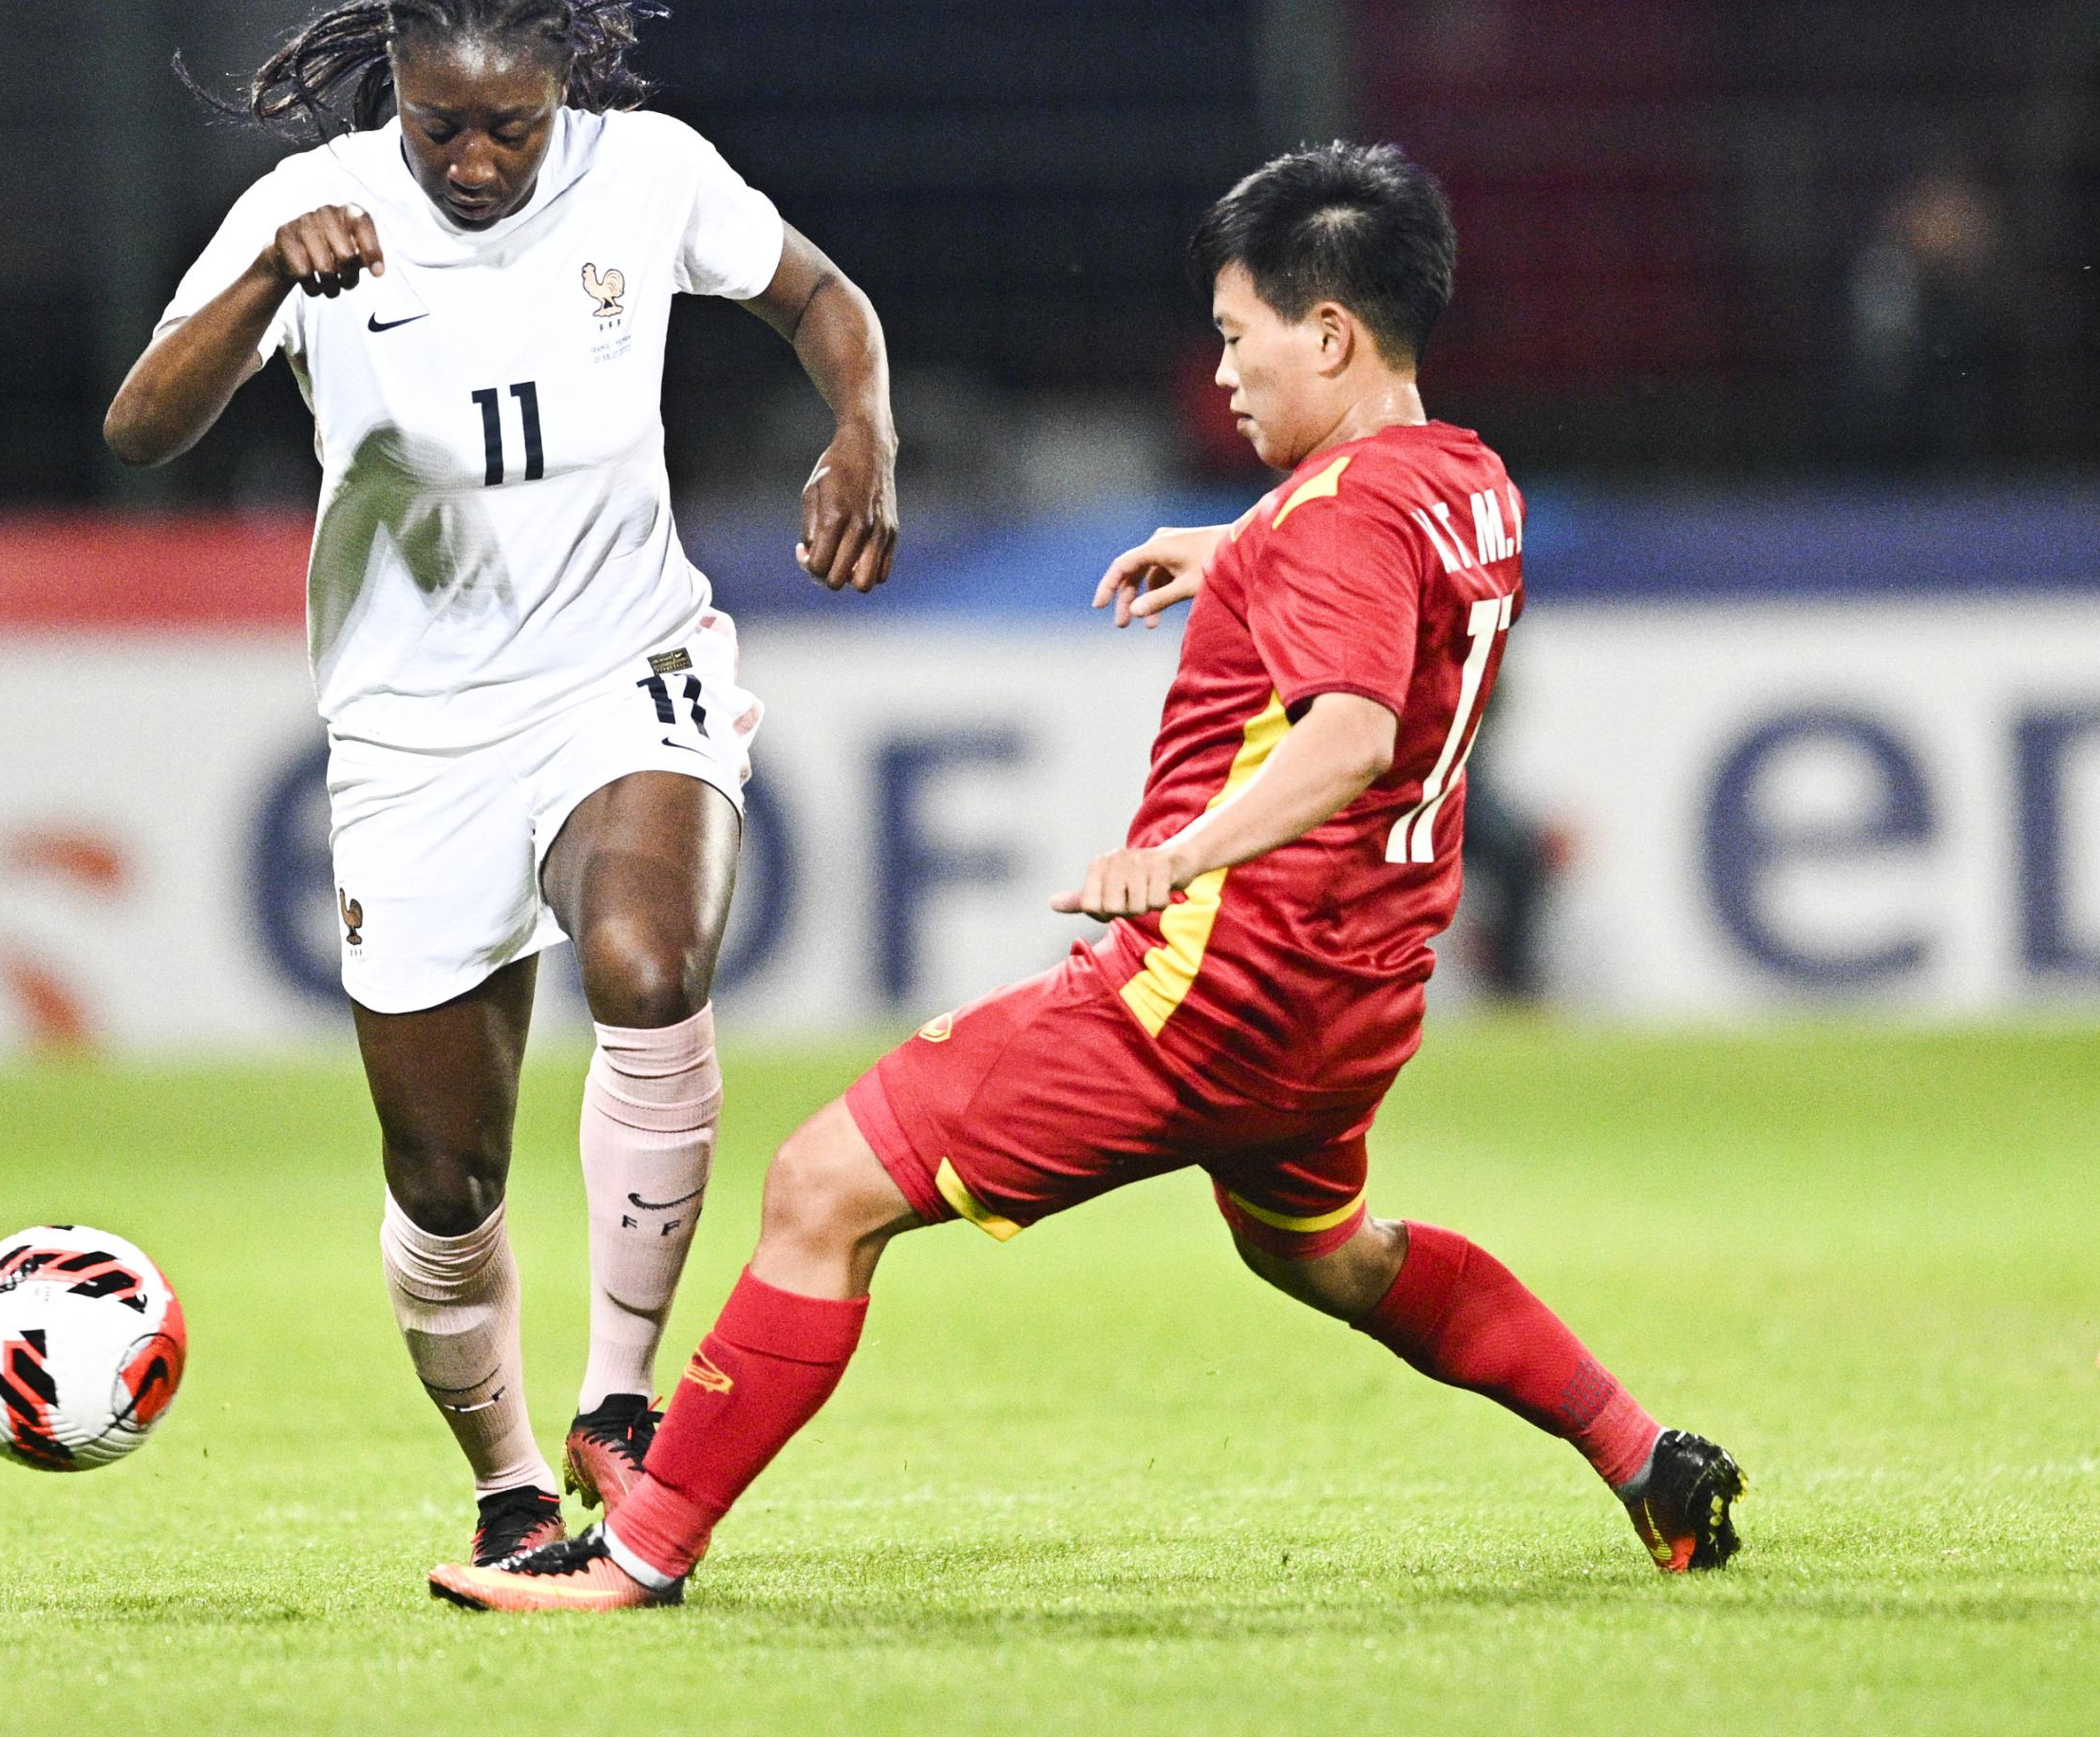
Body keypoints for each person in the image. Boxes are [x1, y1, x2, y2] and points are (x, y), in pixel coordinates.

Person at [427, 142, 1742, 1613]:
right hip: (1354, 1005)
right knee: (1336, 1260)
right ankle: (1647, 1460)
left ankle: (639, 1554)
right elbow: (1386, 570)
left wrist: (1178, 853)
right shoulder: (1461, 479)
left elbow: (1356, 734)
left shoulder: (1339, 520)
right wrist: (1240, 558)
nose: (1225, 372)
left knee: (817, 1189)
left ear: (1329, 335)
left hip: (1207, 990)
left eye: (1240, 336)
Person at [104, 0, 899, 1568]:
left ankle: (620, 1400)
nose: (474, 158)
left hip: (625, 661)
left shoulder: (651, 173)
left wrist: (861, 429)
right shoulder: (310, 214)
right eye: (439, 123)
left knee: (647, 958)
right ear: (392, 90)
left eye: (510, 125)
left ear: (563, 91)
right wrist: (262, 279)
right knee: (446, 1173)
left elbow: (826, 300)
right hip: (411, 735)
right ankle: (512, 1481)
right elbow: (141, 426)